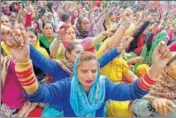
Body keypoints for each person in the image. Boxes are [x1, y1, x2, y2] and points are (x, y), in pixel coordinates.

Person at [4, 23, 173, 117]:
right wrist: (24, 60)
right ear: (74, 66)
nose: (90, 75)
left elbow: (134, 91)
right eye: (84, 71)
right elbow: (37, 94)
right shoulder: (65, 82)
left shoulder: (104, 85)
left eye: (94, 71)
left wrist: (156, 67)